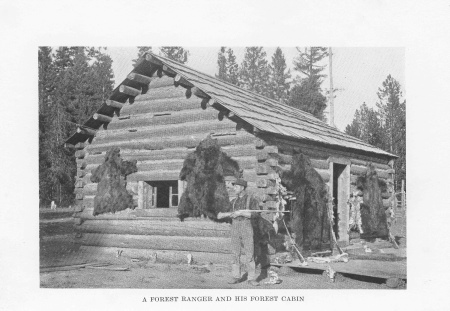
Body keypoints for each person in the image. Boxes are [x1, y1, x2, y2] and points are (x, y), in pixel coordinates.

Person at [217, 178, 261, 286]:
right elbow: (221, 215)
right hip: (235, 226)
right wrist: (229, 214)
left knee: (250, 253)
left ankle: (251, 278)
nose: (234, 188)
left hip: (246, 226)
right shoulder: (233, 202)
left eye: (236, 186)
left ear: (242, 188)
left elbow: (257, 214)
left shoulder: (251, 200)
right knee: (235, 253)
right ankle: (236, 276)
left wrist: (243, 213)